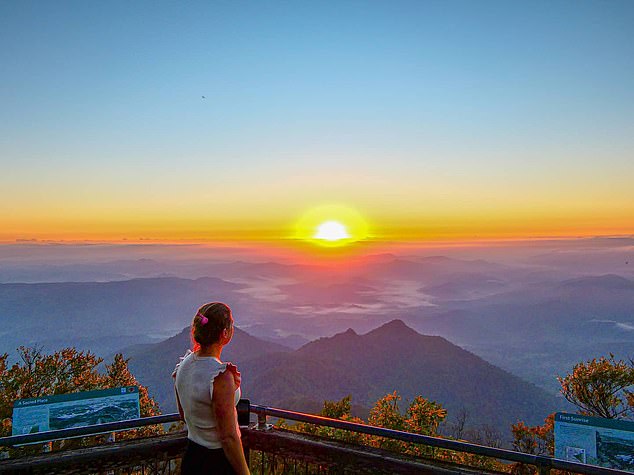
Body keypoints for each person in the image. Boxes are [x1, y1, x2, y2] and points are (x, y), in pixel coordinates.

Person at [173, 302, 250, 475]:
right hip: (218, 461)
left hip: (192, 457)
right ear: (224, 333)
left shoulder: (184, 365)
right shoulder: (219, 376)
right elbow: (228, 437)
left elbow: (183, 414)